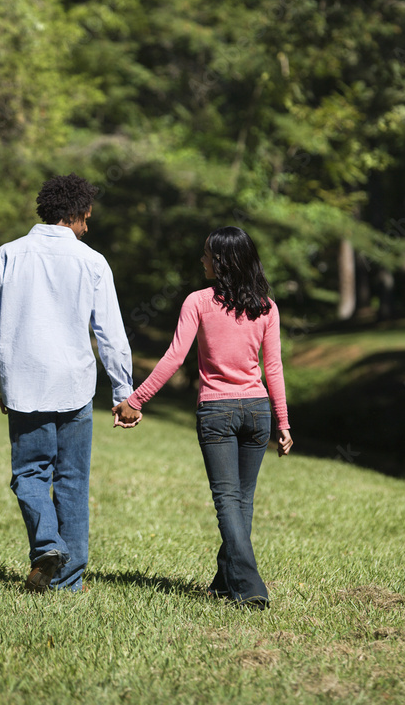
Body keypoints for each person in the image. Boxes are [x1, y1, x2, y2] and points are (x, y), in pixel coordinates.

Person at [113, 226, 293, 608]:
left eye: (208, 255)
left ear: (224, 261)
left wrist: (137, 399)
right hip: (257, 409)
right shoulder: (266, 305)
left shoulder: (198, 301)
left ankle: (249, 586)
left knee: (228, 500)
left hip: (217, 410)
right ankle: (225, 581)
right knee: (241, 501)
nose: (203, 260)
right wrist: (283, 422)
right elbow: (273, 367)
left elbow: (174, 357)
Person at [0, 173, 141, 594]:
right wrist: (124, 391)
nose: (88, 226)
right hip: (74, 386)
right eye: (87, 218)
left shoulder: (9, 253)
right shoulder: (92, 261)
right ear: (78, 214)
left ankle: (47, 547)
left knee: (30, 473)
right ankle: (68, 580)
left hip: (25, 384)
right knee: (72, 479)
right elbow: (110, 333)